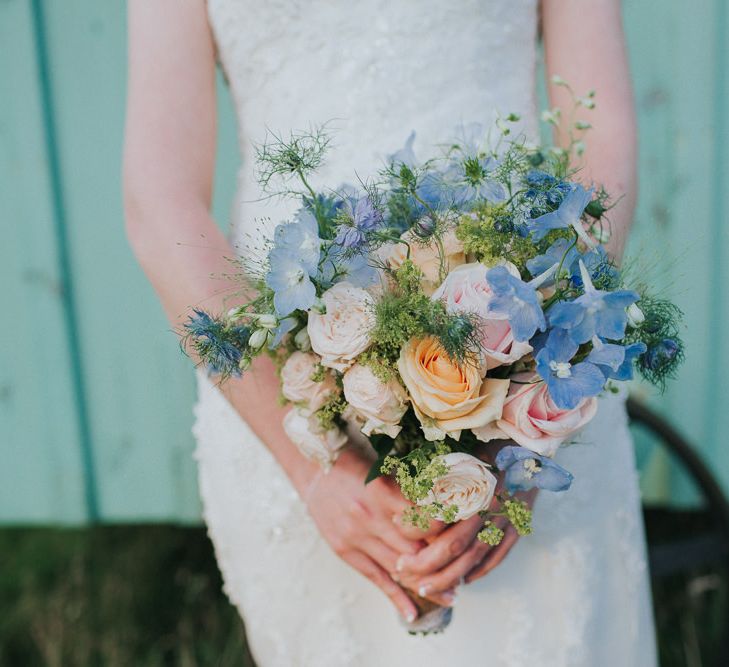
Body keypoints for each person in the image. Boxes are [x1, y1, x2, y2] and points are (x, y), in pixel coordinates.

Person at [124, 1, 657, 664]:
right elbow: (159, 199)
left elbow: (599, 140)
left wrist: (524, 425)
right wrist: (313, 470)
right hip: (290, 381)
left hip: (528, 340)